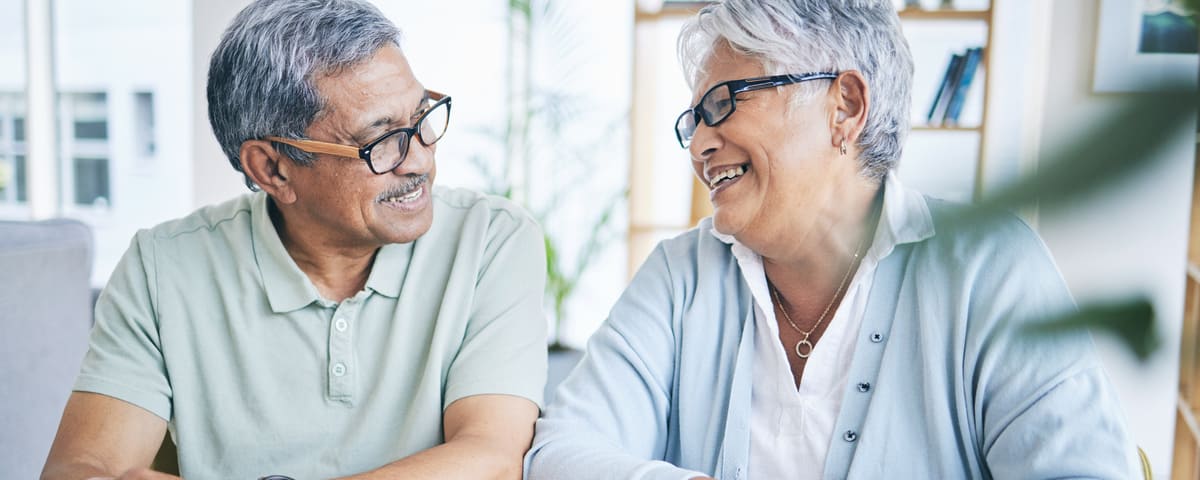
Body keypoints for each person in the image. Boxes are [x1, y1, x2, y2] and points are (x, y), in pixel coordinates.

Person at [525, 0, 1139, 478]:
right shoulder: (680, 274)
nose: (698, 144)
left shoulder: (990, 267)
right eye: (694, 120)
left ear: (844, 104)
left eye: (723, 104)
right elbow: (558, 452)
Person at [41, 1, 547, 478]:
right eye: (380, 138)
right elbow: (84, 469)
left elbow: (492, 459)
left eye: (421, 118)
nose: (419, 160)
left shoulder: (490, 240)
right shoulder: (162, 267)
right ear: (272, 169)